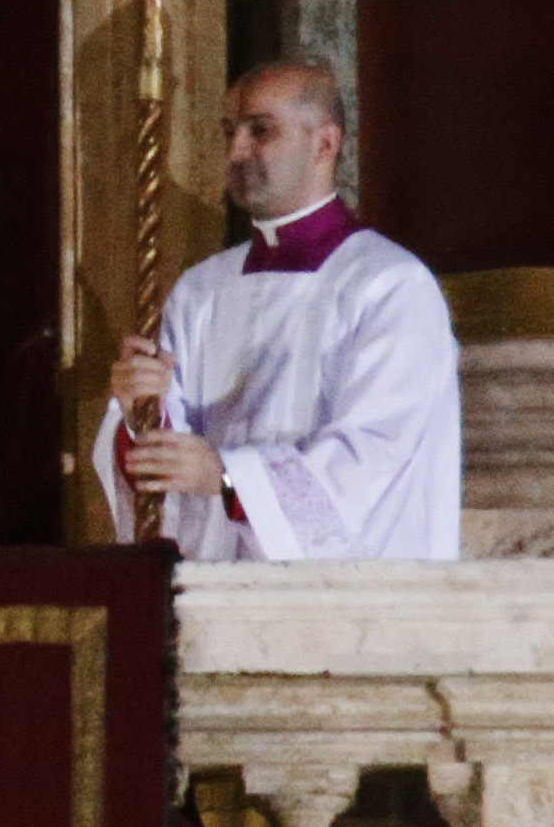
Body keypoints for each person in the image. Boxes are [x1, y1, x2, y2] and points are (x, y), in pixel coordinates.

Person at [98, 58, 460, 560]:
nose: (235, 149)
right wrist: (144, 412)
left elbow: (373, 456)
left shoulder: (389, 286)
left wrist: (226, 476)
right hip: (215, 598)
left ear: (325, 144)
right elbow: (162, 477)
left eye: (260, 131)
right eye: (230, 131)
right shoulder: (200, 291)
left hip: (343, 605)